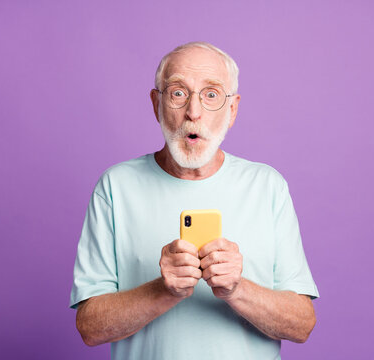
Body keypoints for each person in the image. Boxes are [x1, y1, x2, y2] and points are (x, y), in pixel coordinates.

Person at [70, 41, 319, 360]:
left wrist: (236, 289)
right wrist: (164, 289)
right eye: (177, 93)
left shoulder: (267, 186)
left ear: (232, 110)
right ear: (156, 103)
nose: (194, 112)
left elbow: (302, 325)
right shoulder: (116, 187)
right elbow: (90, 328)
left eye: (211, 94)